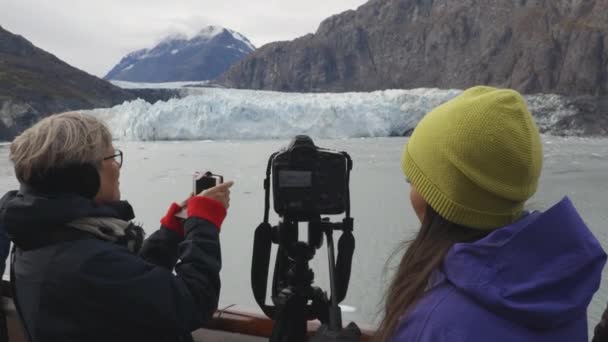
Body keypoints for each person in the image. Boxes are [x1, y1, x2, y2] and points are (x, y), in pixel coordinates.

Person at [374, 86, 607, 342]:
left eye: (414, 179)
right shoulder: (559, 286)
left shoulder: (435, 322)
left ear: (442, 199)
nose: (411, 190)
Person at [0, 112, 233, 342]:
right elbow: (193, 302)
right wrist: (204, 224)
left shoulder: (41, 237)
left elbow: (130, 286)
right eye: (111, 158)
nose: (117, 167)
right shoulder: (86, 262)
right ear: (83, 177)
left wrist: (172, 231)